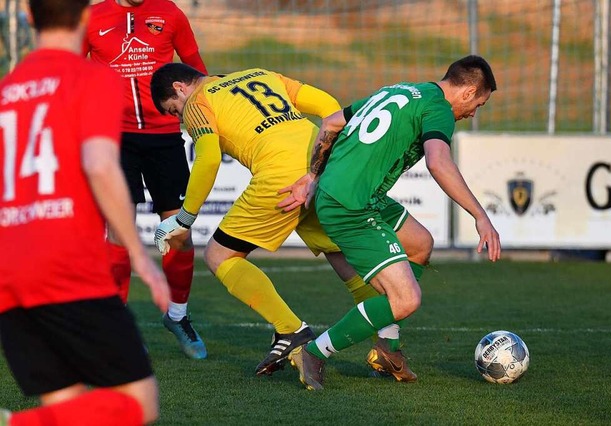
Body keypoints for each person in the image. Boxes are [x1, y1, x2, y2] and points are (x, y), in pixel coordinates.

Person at [149, 63, 433, 378]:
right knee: (338, 251)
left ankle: (291, 331)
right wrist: (326, 160)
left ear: (179, 88)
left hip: (281, 179)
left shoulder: (197, 104)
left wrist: (184, 219)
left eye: (174, 111)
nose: (179, 117)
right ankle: (387, 348)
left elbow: (208, 158)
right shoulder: (260, 74)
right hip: (321, 166)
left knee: (219, 255)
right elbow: (327, 105)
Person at [279, 55, 502, 390]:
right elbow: (439, 163)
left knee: (420, 244)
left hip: (354, 196)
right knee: (407, 299)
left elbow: (331, 121)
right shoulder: (439, 108)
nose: (473, 113)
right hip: (350, 206)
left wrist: (314, 175)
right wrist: (481, 216)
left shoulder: (401, 90)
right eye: (479, 104)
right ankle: (314, 352)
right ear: (468, 92)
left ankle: (387, 349)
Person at [0, 0, 170, 424]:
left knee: (68, 410)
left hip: (9, 269)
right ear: (85, 17)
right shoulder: (92, 76)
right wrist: (139, 256)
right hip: (66, 263)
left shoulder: (7, 90)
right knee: (139, 405)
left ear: (28, 16)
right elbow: (98, 163)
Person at [84, 0, 209, 359]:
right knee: (120, 231)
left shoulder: (170, 13)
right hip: (114, 138)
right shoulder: (93, 17)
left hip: (165, 139)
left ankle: (178, 316)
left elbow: (196, 72)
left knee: (178, 232)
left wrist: (207, 111)